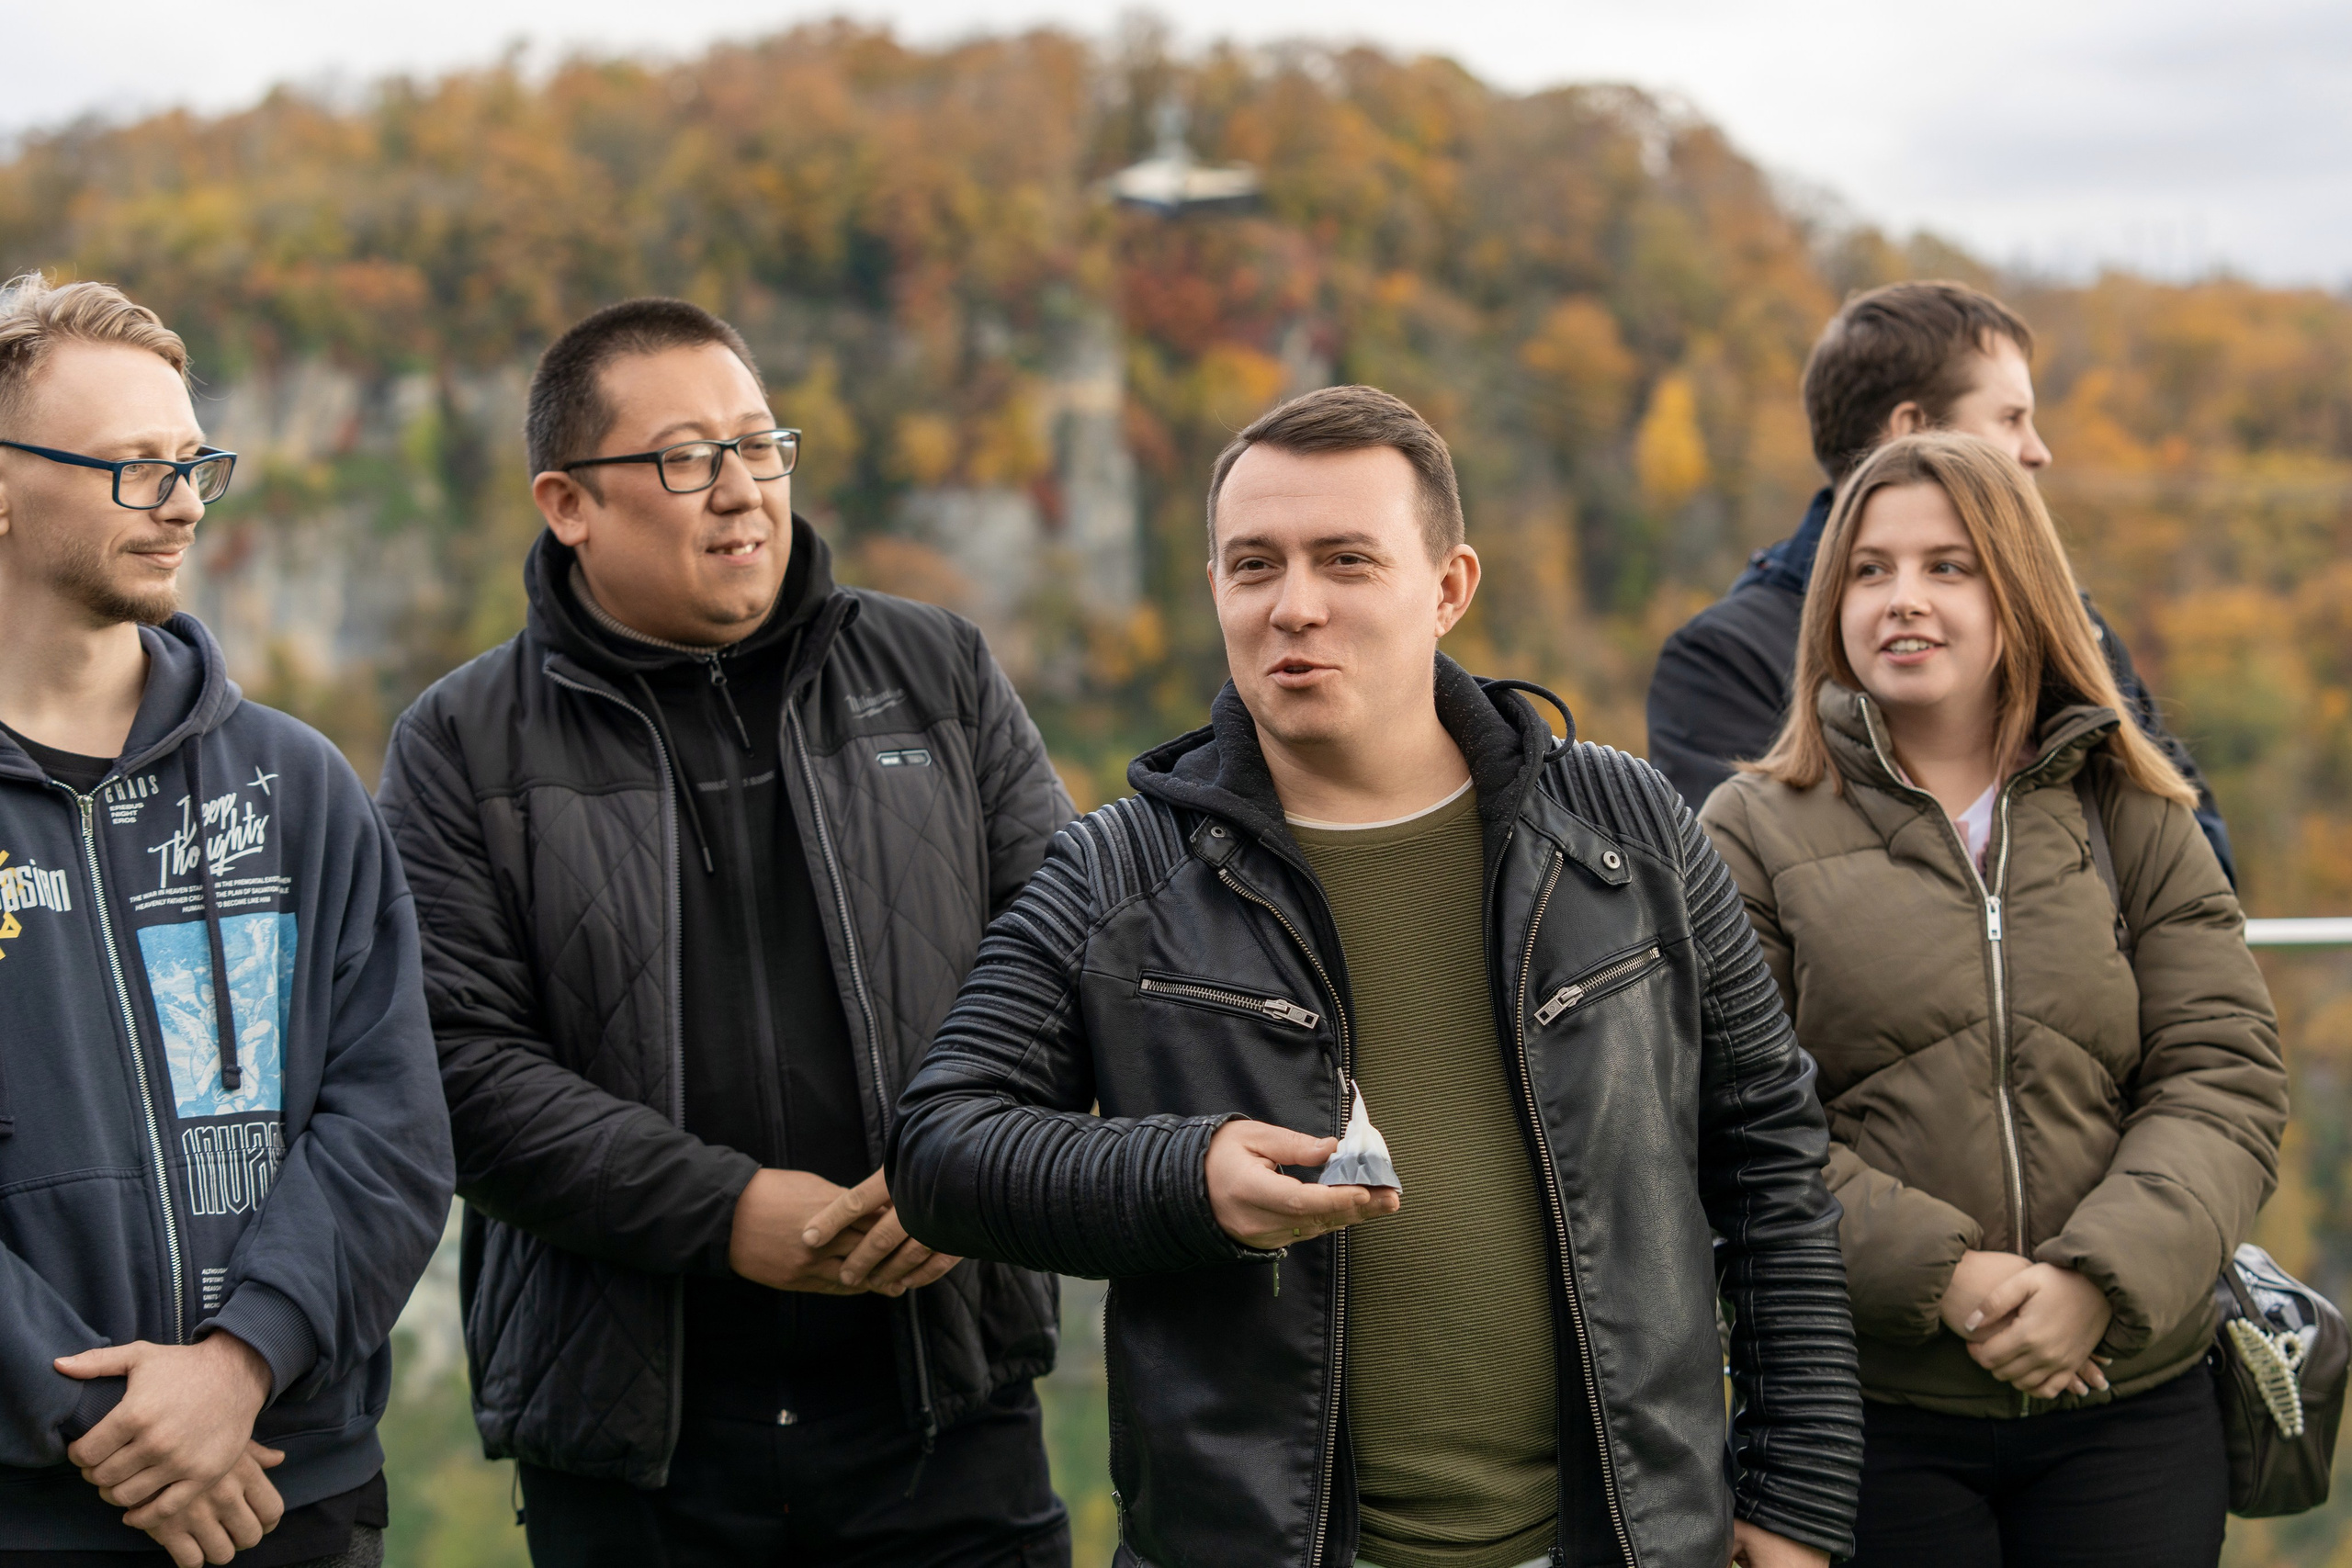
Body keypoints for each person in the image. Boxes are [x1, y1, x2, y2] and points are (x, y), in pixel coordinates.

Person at [891, 385, 1864, 1568]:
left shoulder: (1626, 824)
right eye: (1253, 566)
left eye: (1344, 561)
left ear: (1449, 587)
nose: (1293, 606)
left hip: (1622, 1544)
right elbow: (941, 1150)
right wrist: (1181, 1175)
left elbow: (1770, 1156)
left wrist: (1798, 1503)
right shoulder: (1119, 870)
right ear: (1215, 591)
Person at [376, 297, 1075, 1566]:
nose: (742, 490)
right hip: (639, 1450)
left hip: (945, 1404)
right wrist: (730, 1210)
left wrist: (968, 1169)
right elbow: (459, 1065)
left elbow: (1068, 957)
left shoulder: (939, 672)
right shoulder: (460, 742)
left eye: (761, 446)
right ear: (567, 500)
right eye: (687, 456)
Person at [1699, 432, 2287, 1566]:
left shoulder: (2132, 806)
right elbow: (1727, 1122)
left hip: (2130, 1405)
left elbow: (2223, 1075)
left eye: (1946, 567)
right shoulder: (1750, 832)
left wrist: (2093, 1282)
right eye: (1869, 570)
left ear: (2016, 591)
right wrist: (1954, 1281)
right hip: (1867, 1416)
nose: (1901, 600)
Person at [0, 274, 451, 1568]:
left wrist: (241, 1362)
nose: (188, 500)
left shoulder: (295, 781)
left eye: (196, 460)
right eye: (137, 468)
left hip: (285, 1484)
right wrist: (109, 1419)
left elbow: (393, 1122)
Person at [1645, 280, 2235, 884]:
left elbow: (2196, 866)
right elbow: (1730, 917)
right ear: (1912, 432)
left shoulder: (2068, 627)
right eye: (2011, 419)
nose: (2038, 451)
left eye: (1947, 570)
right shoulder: (1724, 662)